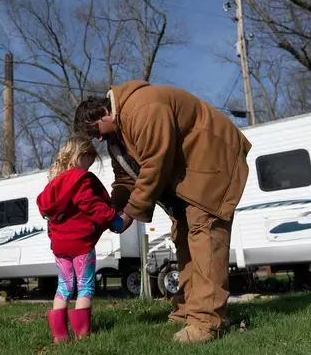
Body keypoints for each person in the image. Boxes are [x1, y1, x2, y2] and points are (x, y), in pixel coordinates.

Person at [73, 80, 252, 344]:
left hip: (212, 161)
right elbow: (124, 180)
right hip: (187, 177)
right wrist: (109, 211)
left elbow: (154, 165)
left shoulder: (143, 107)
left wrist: (129, 214)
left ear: (104, 113)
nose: (98, 139)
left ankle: (205, 322)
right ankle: (187, 309)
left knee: (205, 233)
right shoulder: (117, 138)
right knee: (183, 235)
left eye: (95, 131)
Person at [36, 135, 126, 343]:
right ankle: (83, 334)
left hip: (59, 245)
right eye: (89, 162)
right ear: (81, 155)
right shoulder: (79, 179)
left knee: (63, 287)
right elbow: (90, 204)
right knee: (85, 286)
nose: (89, 168)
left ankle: (59, 336)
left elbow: (50, 218)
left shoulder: (53, 184)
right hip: (80, 243)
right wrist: (113, 219)